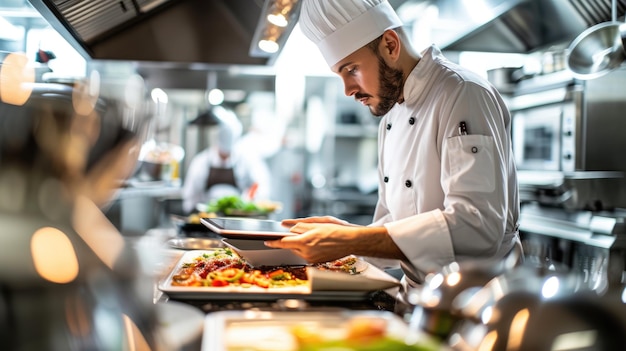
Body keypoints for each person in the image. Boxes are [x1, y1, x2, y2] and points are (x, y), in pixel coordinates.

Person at [266, 0, 521, 289]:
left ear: (390, 44)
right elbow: (393, 225)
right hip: (417, 298)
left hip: (476, 304)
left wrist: (352, 241)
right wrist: (347, 237)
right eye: (340, 74)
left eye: (351, 69)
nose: (348, 90)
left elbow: (478, 228)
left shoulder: (462, 93)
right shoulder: (390, 116)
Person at [181, 105, 271, 214]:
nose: (225, 156)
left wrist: (248, 201)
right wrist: (195, 213)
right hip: (208, 217)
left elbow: (261, 186)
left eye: (228, 153)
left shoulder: (245, 160)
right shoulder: (202, 161)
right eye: (223, 152)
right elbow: (190, 194)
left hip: (238, 216)